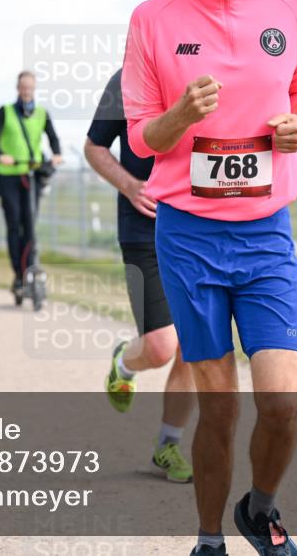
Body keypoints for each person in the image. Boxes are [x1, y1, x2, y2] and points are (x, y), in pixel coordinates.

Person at [122, 0, 297, 554]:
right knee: (222, 406)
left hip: (265, 233)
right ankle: (209, 538)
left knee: (283, 402)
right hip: (190, 238)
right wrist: (180, 115)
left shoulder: (290, 3)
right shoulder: (152, 19)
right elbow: (144, 137)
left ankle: (259, 509)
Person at [85, 68, 195, 484]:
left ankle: (169, 444)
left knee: (195, 348)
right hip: (143, 226)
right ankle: (124, 362)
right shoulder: (126, 79)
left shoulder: (216, 64)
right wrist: (130, 185)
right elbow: (95, 147)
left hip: (201, 227)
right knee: (162, 346)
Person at [0, 71, 64, 301]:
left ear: (34, 88)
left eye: (30, 88)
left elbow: (53, 137)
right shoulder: (6, 112)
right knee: (15, 225)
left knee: (30, 224)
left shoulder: (42, 113)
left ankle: (30, 267)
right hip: (9, 175)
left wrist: (57, 154)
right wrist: (1, 154)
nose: (26, 91)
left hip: (31, 174)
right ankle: (19, 275)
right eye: (23, 87)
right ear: (17, 88)